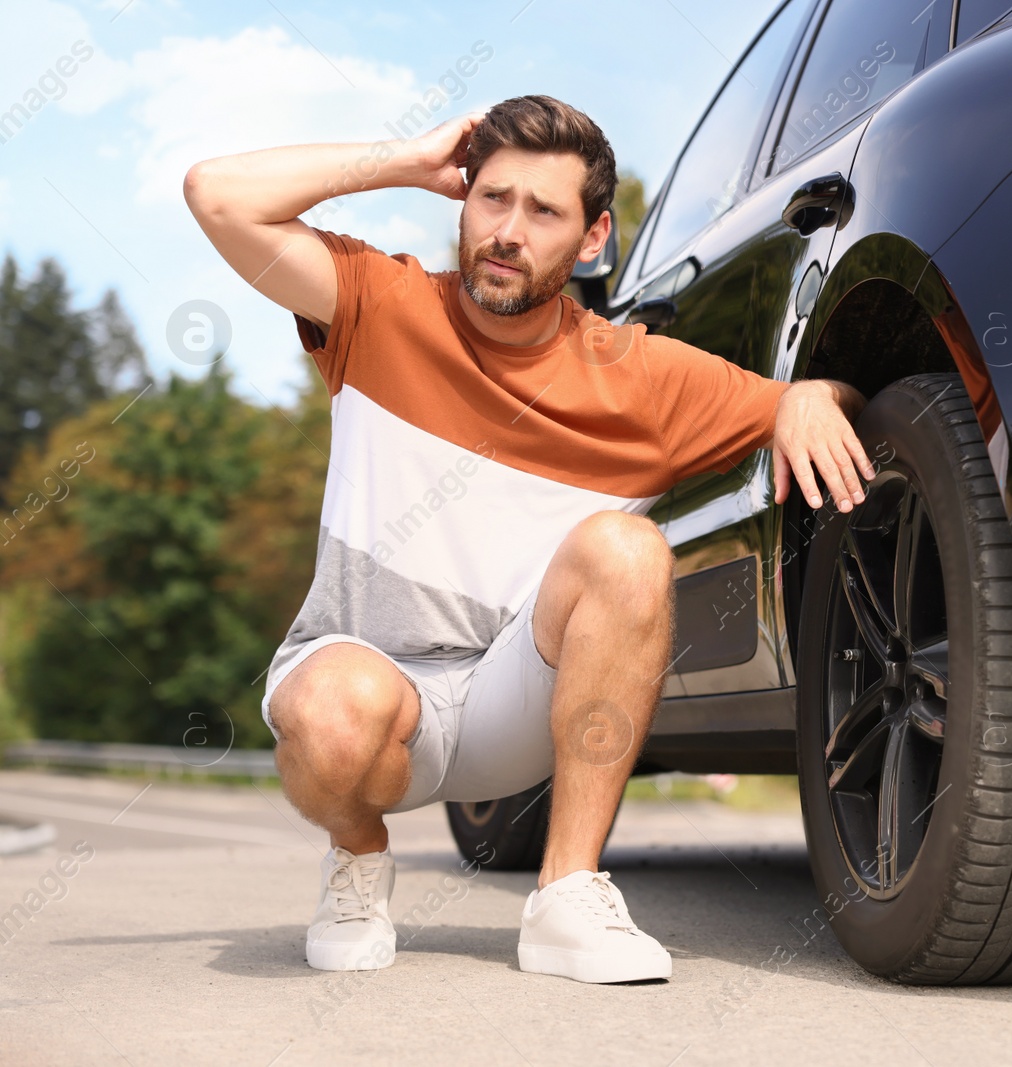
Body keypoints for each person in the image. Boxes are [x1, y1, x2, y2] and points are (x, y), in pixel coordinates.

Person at [183, 94, 873, 983]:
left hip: (520, 695)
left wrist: (813, 395)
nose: (507, 232)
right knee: (327, 713)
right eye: (491, 199)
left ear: (591, 239)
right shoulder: (376, 304)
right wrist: (403, 160)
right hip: (373, 682)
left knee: (628, 553)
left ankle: (567, 896)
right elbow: (215, 194)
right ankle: (358, 857)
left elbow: (814, 406)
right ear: (462, 201)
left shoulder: (638, 376)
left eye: (542, 211)